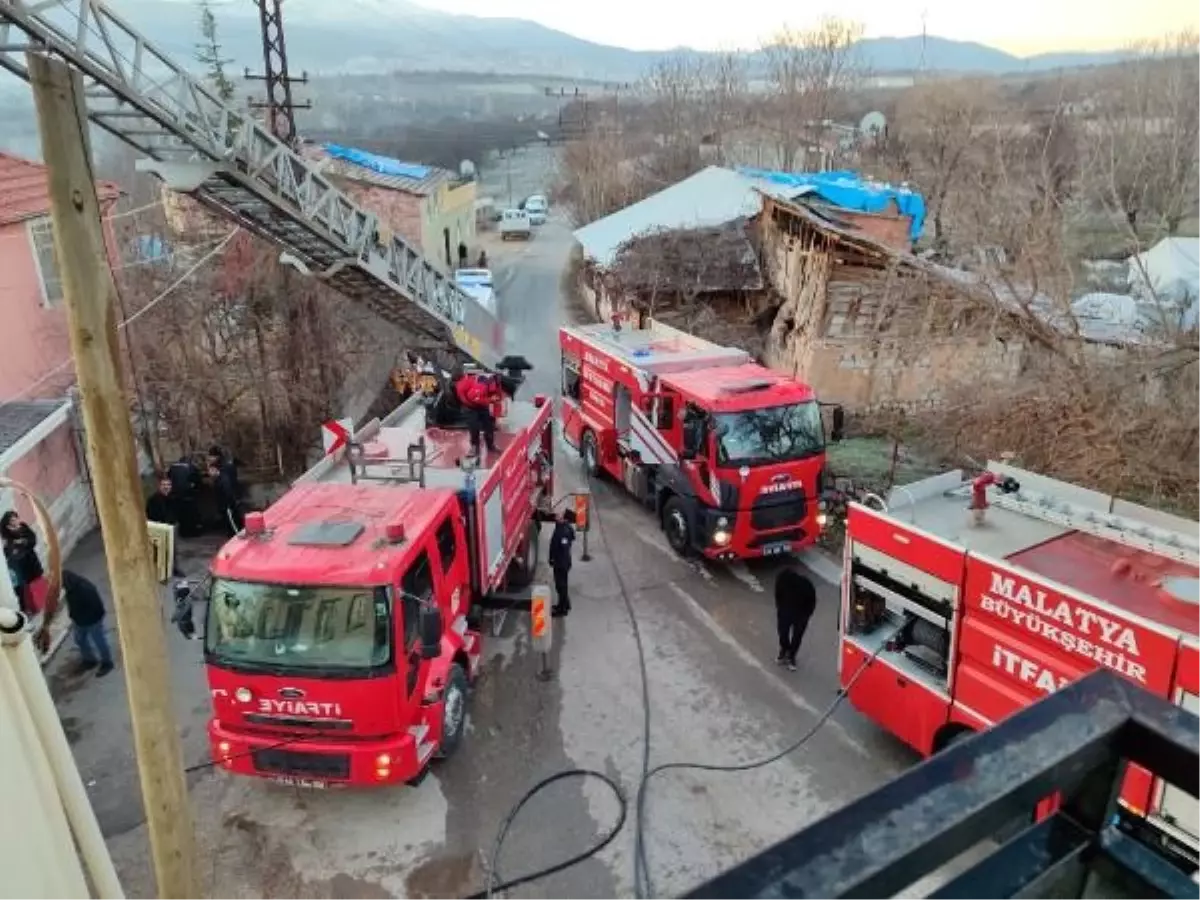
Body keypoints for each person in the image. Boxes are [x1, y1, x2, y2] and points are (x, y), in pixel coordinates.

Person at [61, 569, 114, 676]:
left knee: (100, 641)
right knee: (80, 640)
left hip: (92, 620)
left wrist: (91, 619)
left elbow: (96, 604)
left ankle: (107, 663)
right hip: (80, 620)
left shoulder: (84, 588)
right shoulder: (71, 588)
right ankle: (90, 660)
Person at [2, 510, 46, 617]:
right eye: (12, 520)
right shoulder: (5, 534)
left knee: (37, 580)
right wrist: (17, 545)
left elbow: (33, 540)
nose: (15, 521)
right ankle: (28, 608)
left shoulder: (23, 527)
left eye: (16, 518)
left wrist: (23, 542)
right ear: (8, 522)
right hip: (19, 564)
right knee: (23, 587)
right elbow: (9, 550)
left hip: (31, 559)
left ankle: (41, 601)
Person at [775, 568, 817, 671]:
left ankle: (791, 656)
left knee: (797, 637)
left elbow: (812, 600)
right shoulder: (782, 580)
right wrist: (780, 608)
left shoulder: (806, 585)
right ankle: (785, 649)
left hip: (801, 615)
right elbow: (778, 595)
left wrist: (807, 614)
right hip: (785, 612)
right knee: (783, 633)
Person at [455, 369, 502, 456]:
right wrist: (490, 400)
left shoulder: (494, 382)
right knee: (474, 427)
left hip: (482, 405)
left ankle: (491, 445)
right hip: (470, 406)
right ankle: (474, 447)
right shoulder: (479, 384)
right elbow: (473, 397)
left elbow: (498, 398)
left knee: (489, 426)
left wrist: (497, 414)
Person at [548, 509, 577, 618]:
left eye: (559, 515)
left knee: (561, 586)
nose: (556, 515)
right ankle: (566, 604)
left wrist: (555, 561)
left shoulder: (564, 531)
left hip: (561, 563)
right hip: (560, 562)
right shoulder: (561, 526)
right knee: (562, 585)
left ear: (564, 519)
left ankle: (562, 609)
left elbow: (563, 550)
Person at [209, 460, 244, 536]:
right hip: (224, 506)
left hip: (227, 506)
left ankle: (236, 536)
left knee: (233, 523)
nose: (209, 472)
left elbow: (228, 492)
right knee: (229, 522)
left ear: (216, 469)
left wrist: (228, 505)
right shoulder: (218, 479)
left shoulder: (223, 479)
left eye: (211, 470)